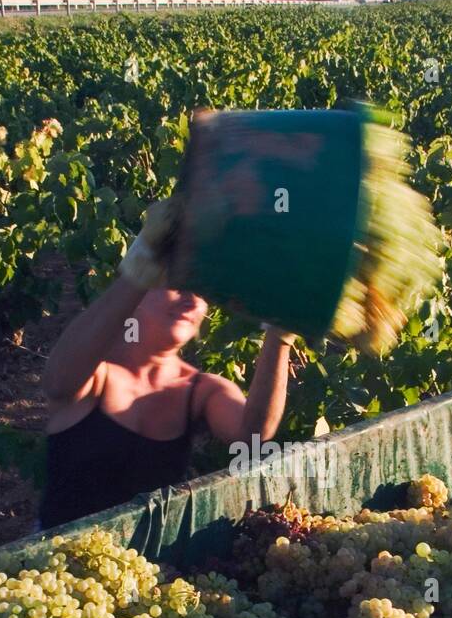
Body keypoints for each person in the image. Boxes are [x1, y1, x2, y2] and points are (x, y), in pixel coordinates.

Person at [37, 200, 295, 529]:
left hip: (145, 568)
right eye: (174, 285)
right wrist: (139, 268)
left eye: (199, 292)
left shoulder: (200, 390)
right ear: (137, 296)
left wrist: (280, 333)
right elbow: (57, 382)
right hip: (58, 561)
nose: (190, 299)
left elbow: (252, 437)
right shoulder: (97, 376)